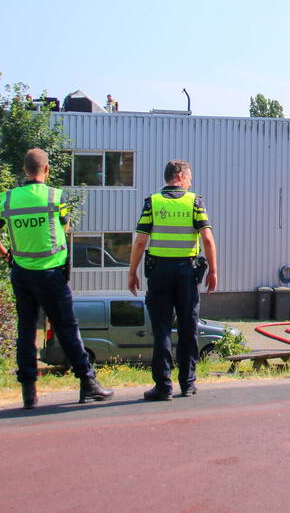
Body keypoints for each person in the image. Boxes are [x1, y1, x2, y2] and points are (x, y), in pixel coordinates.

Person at [0, 148, 112, 409]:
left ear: (24, 170)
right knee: (67, 328)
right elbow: (65, 228)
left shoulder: (8, 200)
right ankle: (87, 382)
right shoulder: (55, 196)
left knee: (26, 331)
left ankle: (29, 392)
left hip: (22, 274)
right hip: (51, 273)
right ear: (47, 169)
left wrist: (7, 255)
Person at [128, 159, 218, 401]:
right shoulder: (195, 202)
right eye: (189, 177)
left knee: (162, 330)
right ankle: (187, 384)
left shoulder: (152, 203)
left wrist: (132, 271)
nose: (190, 182)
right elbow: (207, 240)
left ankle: (163, 386)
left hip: (159, 273)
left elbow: (140, 241)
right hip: (187, 274)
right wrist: (213, 271)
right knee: (189, 328)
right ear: (179, 176)